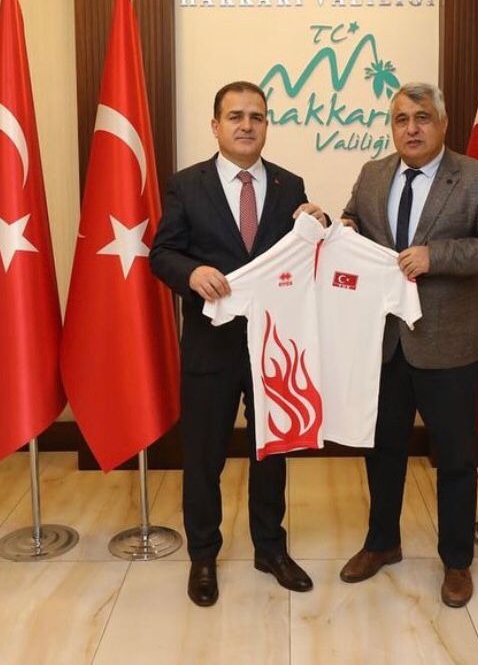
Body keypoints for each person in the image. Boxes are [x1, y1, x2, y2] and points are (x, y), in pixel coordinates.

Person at [338, 82, 478, 607]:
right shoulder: (373, 175)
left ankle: (457, 561)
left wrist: (436, 256)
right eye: (401, 119)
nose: (411, 128)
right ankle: (382, 543)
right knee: (382, 451)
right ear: (392, 127)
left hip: (449, 346)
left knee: (455, 459)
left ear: (442, 124)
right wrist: (345, 226)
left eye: (421, 118)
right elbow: (356, 220)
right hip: (384, 343)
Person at [150, 80, 326, 607]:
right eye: (235, 116)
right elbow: (162, 253)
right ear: (215, 126)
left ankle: (270, 548)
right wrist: (191, 272)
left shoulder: (291, 185)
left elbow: (304, 256)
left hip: (275, 347)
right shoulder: (187, 185)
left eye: (257, 116)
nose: (247, 125)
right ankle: (203, 555)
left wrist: (317, 225)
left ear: (266, 125)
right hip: (211, 345)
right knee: (203, 457)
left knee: (271, 451)